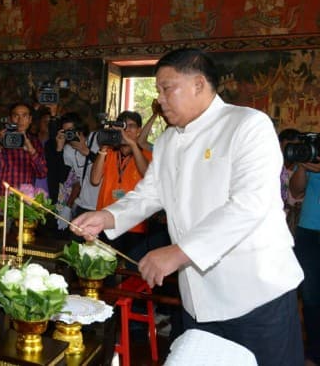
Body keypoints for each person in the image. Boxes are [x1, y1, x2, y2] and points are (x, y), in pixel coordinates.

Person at [71, 48, 304, 366]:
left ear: (198, 84)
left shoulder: (247, 125)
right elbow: (149, 194)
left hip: (256, 294)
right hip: (199, 298)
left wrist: (178, 252)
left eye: (167, 88)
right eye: (158, 91)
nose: (160, 100)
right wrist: (108, 216)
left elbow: (249, 205)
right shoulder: (168, 141)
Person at [91, 110, 152, 261]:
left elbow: (148, 175)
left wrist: (132, 144)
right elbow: (94, 180)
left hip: (134, 224)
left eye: (131, 126)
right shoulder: (110, 153)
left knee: (130, 275)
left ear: (139, 130)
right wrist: (103, 149)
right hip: (106, 220)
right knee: (105, 271)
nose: (126, 131)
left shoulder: (147, 155)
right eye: (123, 126)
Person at [289, 153, 320, 366]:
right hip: (308, 231)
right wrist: (303, 166)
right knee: (310, 297)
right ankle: (315, 353)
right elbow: (295, 190)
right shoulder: (315, 151)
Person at [0, 102, 47, 202]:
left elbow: (42, 173)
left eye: (24, 116)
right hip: (2, 200)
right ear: (10, 119)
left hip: (24, 202)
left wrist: (31, 149)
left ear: (30, 120)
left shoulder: (34, 142)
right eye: (16, 116)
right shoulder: (1, 139)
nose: (20, 120)